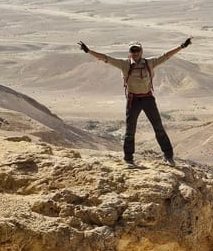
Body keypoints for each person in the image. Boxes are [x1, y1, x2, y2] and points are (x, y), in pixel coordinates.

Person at [77, 37, 191, 165]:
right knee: (130, 130)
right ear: (129, 52)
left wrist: (182, 46)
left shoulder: (149, 63)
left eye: (138, 50)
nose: (136, 53)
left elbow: (166, 56)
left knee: (158, 127)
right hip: (133, 100)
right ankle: (128, 159)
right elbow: (105, 58)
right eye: (133, 50)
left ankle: (168, 156)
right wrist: (88, 51)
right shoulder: (124, 64)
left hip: (148, 98)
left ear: (141, 51)